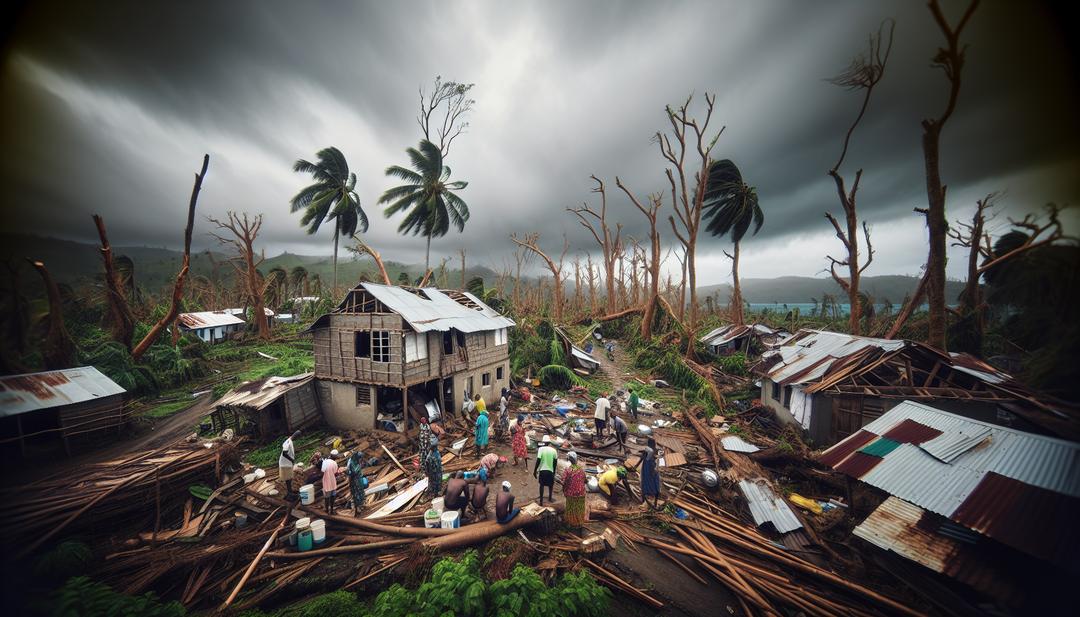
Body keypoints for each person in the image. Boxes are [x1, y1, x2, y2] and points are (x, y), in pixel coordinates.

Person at [561, 451, 587, 527]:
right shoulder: (581, 470)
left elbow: (563, 482)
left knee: (571, 508)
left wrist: (564, 489)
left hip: (571, 494)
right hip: (581, 493)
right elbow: (585, 480)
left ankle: (571, 524)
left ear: (569, 460)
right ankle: (579, 523)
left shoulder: (568, 470)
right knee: (579, 508)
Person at [533, 435, 558, 505]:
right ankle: (550, 498)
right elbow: (555, 462)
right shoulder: (554, 450)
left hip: (542, 470)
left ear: (543, 442)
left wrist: (535, 470)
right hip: (550, 470)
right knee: (551, 485)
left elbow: (538, 460)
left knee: (542, 485)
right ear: (549, 442)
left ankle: (541, 501)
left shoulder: (541, 449)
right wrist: (554, 471)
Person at [640, 437, 662, 508]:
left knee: (646, 481)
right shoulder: (653, 450)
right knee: (655, 482)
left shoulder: (648, 449)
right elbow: (655, 457)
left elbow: (642, 457)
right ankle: (655, 501)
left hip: (647, 466)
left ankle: (644, 499)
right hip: (652, 466)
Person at [279, 430, 300, 498]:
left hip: (288, 463)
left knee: (289, 478)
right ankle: (289, 493)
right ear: (296, 437)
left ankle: (290, 491)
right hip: (285, 464)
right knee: (288, 479)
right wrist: (291, 459)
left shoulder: (290, 441)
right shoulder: (288, 442)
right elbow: (284, 453)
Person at [345, 450, 366, 515]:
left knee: (360, 492)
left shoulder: (356, 461)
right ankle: (357, 508)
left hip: (358, 479)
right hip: (354, 480)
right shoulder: (350, 462)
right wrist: (359, 467)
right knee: (356, 494)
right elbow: (352, 472)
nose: (360, 459)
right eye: (360, 458)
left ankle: (361, 505)